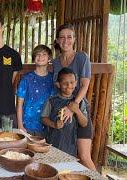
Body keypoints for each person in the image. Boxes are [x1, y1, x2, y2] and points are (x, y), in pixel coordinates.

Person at [53, 23, 96, 170]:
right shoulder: (55, 62)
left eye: (69, 37)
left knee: (84, 157)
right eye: (62, 37)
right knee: (62, 154)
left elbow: (84, 85)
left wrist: (74, 106)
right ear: (57, 40)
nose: (66, 40)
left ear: (74, 39)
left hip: (80, 110)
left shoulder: (81, 57)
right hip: (62, 112)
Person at [41, 68, 88, 157]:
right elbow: (43, 118)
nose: (69, 85)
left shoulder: (79, 102)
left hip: (70, 145)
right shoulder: (51, 100)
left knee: (67, 168)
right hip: (53, 142)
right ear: (58, 84)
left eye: (72, 82)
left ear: (76, 82)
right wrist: (54, 124)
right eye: (64, 83)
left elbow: (84, 123)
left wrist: (77, 111)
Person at [16, 45, 55, 136]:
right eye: (38, 54)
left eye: (44, 54)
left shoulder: (53, 79)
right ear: (34, 59)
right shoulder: (26, 79)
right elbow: (19, 104)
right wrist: (20, 126)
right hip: (27, 126)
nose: (40, 57)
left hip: (47, 126)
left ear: (49, 58)